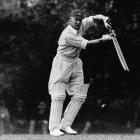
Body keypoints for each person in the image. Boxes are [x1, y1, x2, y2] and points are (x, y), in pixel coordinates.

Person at [48, 9, 113, 136]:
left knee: (80, 95)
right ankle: (53, 128)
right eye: (75, 20)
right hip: (62, 63)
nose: (78, 22)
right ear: (69, 20)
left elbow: (94, 18)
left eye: (79, 20)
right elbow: (88, 44)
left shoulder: (81, 24)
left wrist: (105, 18)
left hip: (76, 62)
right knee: (58, 96)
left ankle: (65, 125)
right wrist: (104, 38)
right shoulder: (67, 34)